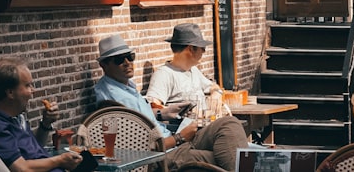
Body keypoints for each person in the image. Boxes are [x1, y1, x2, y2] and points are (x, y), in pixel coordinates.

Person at [93, 35, 247, 171]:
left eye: (130, 56)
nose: (127, 63)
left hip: (172, 140)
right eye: (120, 59)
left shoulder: (125, 86)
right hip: (161, 155)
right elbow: (137, 148)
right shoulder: (112, 100)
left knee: (229, 124)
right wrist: (180, 137)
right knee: (225, 156)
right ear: (104, 65)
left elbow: (139, 116)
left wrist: (163, 113)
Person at [0, 58, 83, 172]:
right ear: (10, 92)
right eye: (27, 85)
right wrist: (60, 160)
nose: (32, 91)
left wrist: (45, 124)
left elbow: (32, 151)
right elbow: (21, 168)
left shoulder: (14, 116)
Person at [146, 24, 226, 118]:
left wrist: (216, 93)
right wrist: (183, 114)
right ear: (191, 49)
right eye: (202, 48)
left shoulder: (193, 70)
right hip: (186, 129)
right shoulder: (164, 74)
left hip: (205, 123)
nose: (204, 52)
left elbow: (212, 86)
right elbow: (152, 107)